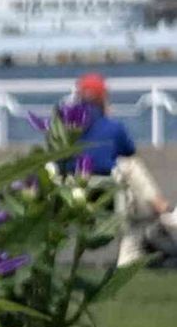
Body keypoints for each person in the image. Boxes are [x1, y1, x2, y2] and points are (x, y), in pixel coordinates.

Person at [73, 73, 177, 265]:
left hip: (73, 189)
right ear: (103, 97)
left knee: (131, 179)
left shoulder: (66, 127)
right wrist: (108, 116)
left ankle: (162, 218)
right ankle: (164, 213)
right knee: (130, 166)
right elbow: (129, 149)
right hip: (108, 189)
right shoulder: (112, 126)